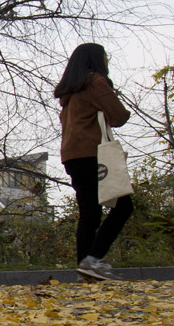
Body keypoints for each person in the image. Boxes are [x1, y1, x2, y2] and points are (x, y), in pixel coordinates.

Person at [54, 42, 134, 282]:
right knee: (123, 207)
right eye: (105, 56)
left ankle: (85, 270)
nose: (107, 60)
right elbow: (119, 117)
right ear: (97, 60)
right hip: (94, 154)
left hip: (71, 156)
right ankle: (94, 259)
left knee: (89, 212)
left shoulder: (69, 93)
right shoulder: (95, 82)